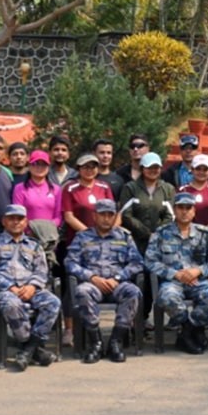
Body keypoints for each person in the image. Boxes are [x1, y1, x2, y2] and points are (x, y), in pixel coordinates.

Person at [0, 205, 61, 372]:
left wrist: (32, 286)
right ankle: (32, 348)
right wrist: (10, 287)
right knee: (11, 305)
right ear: (4, 221)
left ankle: (28, 349)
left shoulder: (35, 245)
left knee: (52, 302)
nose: (15, 222)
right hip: (6, 291)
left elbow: (41, 270)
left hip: (32, 289)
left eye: (20, 219)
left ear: (26, 222)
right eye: (11, 218)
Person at [147, 192, 208, 355]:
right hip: (172, 282)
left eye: (188, 208)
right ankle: (190, 330)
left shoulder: (204, 233)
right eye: (180, 208)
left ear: (194, 211)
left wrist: (198, 270)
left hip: (198, 282)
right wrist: (175, 274)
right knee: (167, 297)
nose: (184, 211)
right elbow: (150, 261)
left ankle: (188, 330)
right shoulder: (161, 233)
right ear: (174, 210)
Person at [66, 199, 144, 364]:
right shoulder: (82, 237)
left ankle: (116, 341)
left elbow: (137, 263)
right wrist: (92, 277)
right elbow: (70, 262)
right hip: (93, 284)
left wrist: (118, 278)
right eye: (102, 215)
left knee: (133, 292)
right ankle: (96, 343)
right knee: (82, 292)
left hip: (117, 284)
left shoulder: (124, 236)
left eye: (110, 215)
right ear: (95, 216)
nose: (106, 218)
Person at [61, 153, 117, 346]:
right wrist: (90, 234)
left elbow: (113, 212)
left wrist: (107, 232)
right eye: (86, 166)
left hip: (105, 243)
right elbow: (68, 216)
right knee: (73, 284)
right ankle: (69, 328)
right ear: (78, 168)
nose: (90, 170)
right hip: (79, 241)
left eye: (93, 166)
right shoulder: (70, 187)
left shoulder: (104, 187)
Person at [117, 152, 176, 257]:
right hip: (134, 240)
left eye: (156, 167)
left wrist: (157, 233)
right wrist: (146, 233)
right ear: (142, 168)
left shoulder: (168, 189)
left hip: (161, 241)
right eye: (149, 167)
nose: (153, 170)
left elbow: (170, 215)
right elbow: (126, 214)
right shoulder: (130, 188)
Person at [13, 150, 62, 228]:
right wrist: (34, 229)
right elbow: (18, 214)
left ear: (48, 167)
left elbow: (58, 216)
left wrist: (47, 228)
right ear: (29, 166)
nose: (39, 167)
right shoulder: (20, 188)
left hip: (50, 234)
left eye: (43, 165)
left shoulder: (56, 189)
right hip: (27, 234)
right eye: (35, 164)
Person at [179, 154, 208, 228]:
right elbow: (179, 213)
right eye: (198, 169)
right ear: (192, 170)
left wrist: (205, 231)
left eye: (205, 169)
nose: (201, 172)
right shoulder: (183, 190)